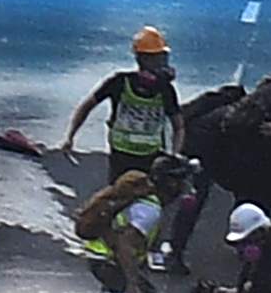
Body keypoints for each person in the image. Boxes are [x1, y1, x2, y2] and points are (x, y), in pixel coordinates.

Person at [62, 28, 187, 193]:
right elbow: (87, 106)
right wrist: (70, 137)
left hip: (146, 155)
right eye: (157, 57)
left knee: (134, 199)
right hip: (123, 155)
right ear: (143, 58)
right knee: (122, 197)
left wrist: (174, 154)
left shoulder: (164, 89)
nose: (161, 62)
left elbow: (179, 126)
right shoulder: (121, 83)